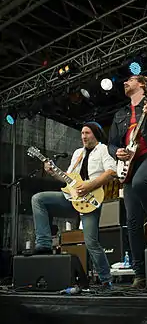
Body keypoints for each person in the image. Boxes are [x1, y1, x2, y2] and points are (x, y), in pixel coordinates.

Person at [25, 122, 117, 287]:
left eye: (87, 133)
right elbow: (68, 179)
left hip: (90, 199)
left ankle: (106, 280)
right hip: (70, 197)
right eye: (82, 133)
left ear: (95, 134)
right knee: (38, 199)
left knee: (91, 243)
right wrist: (53, 172)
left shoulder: (103, 149)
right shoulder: (77, 153)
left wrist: (90, 185)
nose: (83, 136)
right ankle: (44, 244)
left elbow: (111, 172)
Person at [108, 75, 147, 288]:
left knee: (140, 183)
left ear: (143, 84)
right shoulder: (120, 114)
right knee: (133, 223)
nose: (125, 82)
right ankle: (140, 274)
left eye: (131, 80)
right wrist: (116, 152)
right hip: (129, 166)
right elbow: (111, 144)